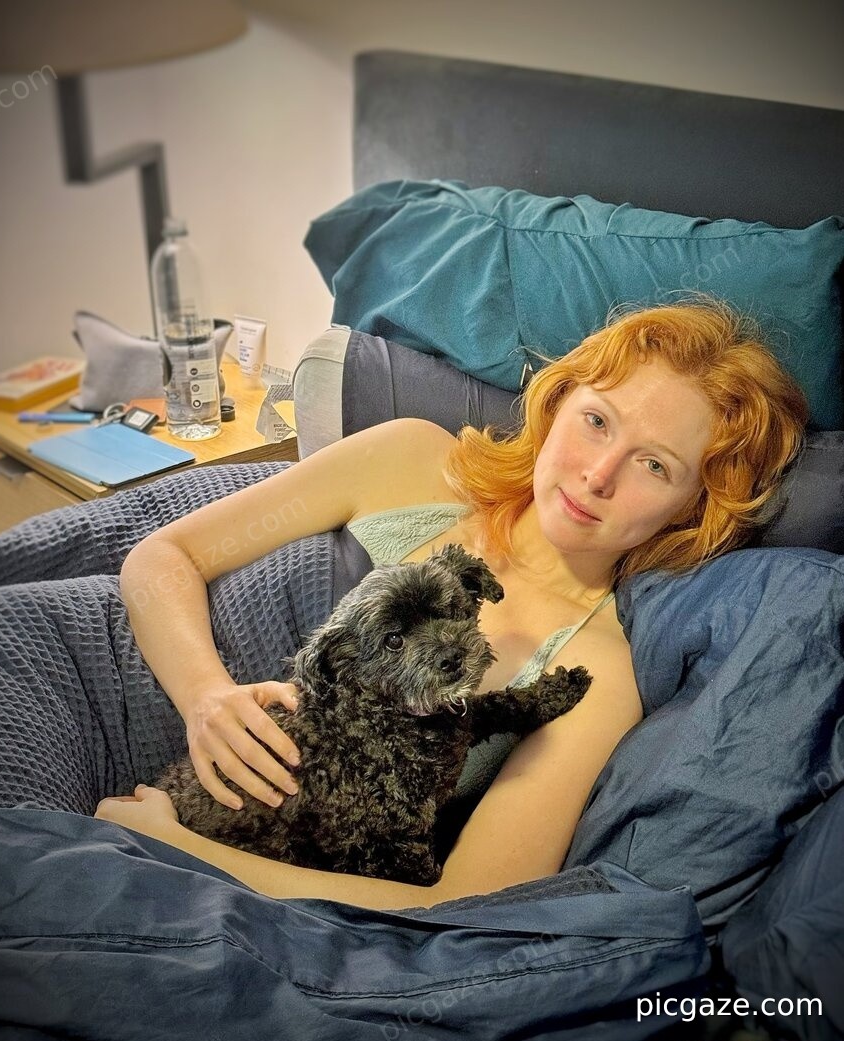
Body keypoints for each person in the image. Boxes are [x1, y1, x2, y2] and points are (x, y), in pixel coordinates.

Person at [95, 299, 808, 910]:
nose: (598, 475)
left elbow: (466, 901)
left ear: (693, 507)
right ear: (558, 400)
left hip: (189, 840)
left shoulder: (601, 672)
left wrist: (180, 850)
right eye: (597, 420)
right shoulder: (412, 460)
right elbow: (165, 556)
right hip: (111, 675)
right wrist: (206, 695)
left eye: (655, 465)